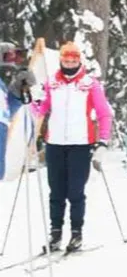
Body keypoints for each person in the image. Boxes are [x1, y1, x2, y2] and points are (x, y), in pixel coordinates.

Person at [29, 43, 113, 252]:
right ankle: (55, 233)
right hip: (55, 143)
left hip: (80, 144)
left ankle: (76, 233)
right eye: (66, 60)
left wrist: (103, 140)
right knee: (56, 191)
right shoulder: (52, 83)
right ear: (61, 60)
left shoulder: (89, 84)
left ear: (79, 61)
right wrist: (34, 98)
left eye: (74, 60)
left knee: (75, 191)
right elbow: (40, 110)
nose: (70, 63)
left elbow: (104, 113)